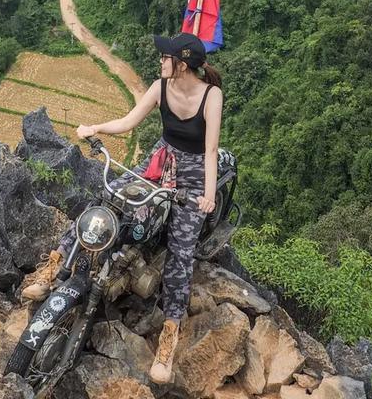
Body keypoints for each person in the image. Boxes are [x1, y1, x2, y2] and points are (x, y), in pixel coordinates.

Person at [23, 31, 223, 385]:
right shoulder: (160, 87)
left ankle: (169, 336)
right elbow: (130, 121)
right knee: (103, 202)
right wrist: (95, 128)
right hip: (157, 164)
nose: (160, 61)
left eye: (166, 57)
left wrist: (207, 194)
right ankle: (54, 267)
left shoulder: (211, 96)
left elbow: (209, 151)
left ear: (183, 64)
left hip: (192, 176)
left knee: (180, 251)